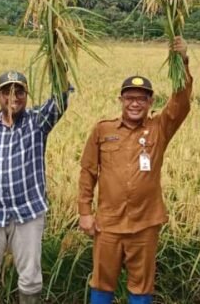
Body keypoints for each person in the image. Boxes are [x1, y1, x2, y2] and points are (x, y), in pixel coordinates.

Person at [78, 37, 192, 304]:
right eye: (129, 98)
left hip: (145, 224)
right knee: (102, 282)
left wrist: (182, 61)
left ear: (151, 102)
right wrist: (84, 212)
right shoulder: (103, 129)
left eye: (142, 99)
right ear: (121, 100)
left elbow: (181, 103)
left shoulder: (159, 128)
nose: (135, 104)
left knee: (141, 286)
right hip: (108, 223)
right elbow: (87, 171)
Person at [0, 70, 69, 304]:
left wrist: (58, 60)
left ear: (27, 94)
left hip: (27, 213)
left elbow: (60, 100)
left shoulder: (37, 121)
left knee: (30, 277)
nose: (13, 97)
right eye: (7, 91)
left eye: (19, 91)